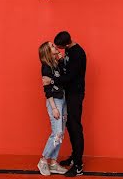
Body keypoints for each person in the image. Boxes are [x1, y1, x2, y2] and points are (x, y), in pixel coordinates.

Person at [43, 32, 86, 177]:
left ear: (66, 44)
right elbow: (65, 69)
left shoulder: (78, 54)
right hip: (67, 94)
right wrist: (61, 62)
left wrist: (52, 81)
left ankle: (78, 165)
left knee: (75, 127)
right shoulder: (68, 50)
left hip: (75, 95)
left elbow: (69, 77)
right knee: (70, 126)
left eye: (58, 47)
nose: (57, 49)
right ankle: (74, 157)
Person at [38, 41, 68, 176]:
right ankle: (43, 160)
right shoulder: (46, 67)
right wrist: (54, 108)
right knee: (57, 133)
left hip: (63, 100)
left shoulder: (55, 64)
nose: (55, 46)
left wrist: (60, 59)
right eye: (51, 46)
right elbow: (47, 90)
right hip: (54, 102)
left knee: (60, 134)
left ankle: (54, 163)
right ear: (47, 52)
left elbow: (64, 79)